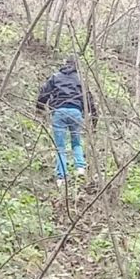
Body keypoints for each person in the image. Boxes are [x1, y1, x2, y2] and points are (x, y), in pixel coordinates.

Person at [36, 57, 95, 188]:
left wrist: (39, 108)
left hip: (59, 112)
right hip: (76, 112)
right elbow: (89, 99)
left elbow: (44, 93)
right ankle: (80, 168)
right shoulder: (80, 80)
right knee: (76, 141)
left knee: (60, 147)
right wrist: (93, 118)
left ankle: (61, 178)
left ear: (64, 65)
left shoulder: (55, 77)